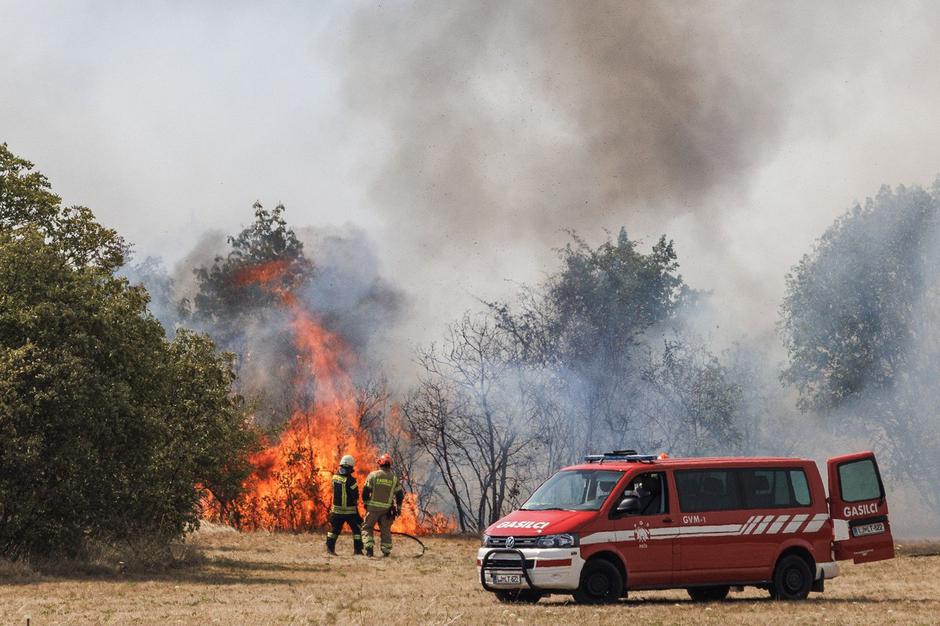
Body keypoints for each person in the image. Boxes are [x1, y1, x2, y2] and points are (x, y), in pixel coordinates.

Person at [361, 453, 405, 557]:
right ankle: (386, 552)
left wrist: (366, 503)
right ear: (390, 465)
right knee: (385, 530)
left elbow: (365, 492)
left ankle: (369, 550)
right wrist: (398, 508)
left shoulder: (373, 475)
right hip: (386, 509)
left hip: (373, 508)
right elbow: (399, 495)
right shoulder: (394, 478)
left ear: (380, 463)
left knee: (367, 528)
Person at [326, 454, 363, 555]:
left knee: (334, 530)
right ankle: (358, 551)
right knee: (357, 531)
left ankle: (330, 549)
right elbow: (355, 495)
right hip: (350, 511)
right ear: (350, 467)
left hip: (337, 511)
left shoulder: (334, 478)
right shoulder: (351, 481)